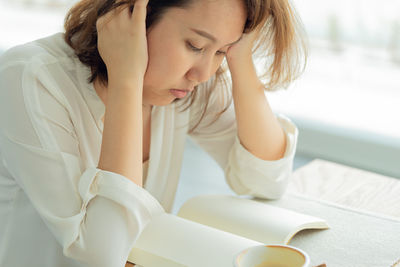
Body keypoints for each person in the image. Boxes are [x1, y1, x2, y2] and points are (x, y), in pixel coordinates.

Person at [0, 0, 305, 266]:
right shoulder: (32, 79)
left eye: (221, 52)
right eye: (195, 46)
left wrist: (240, 58)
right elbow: (104, 255)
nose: (203, 74)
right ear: (130, 14)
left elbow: (267, 178)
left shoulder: (185, 84)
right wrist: (126, 81)